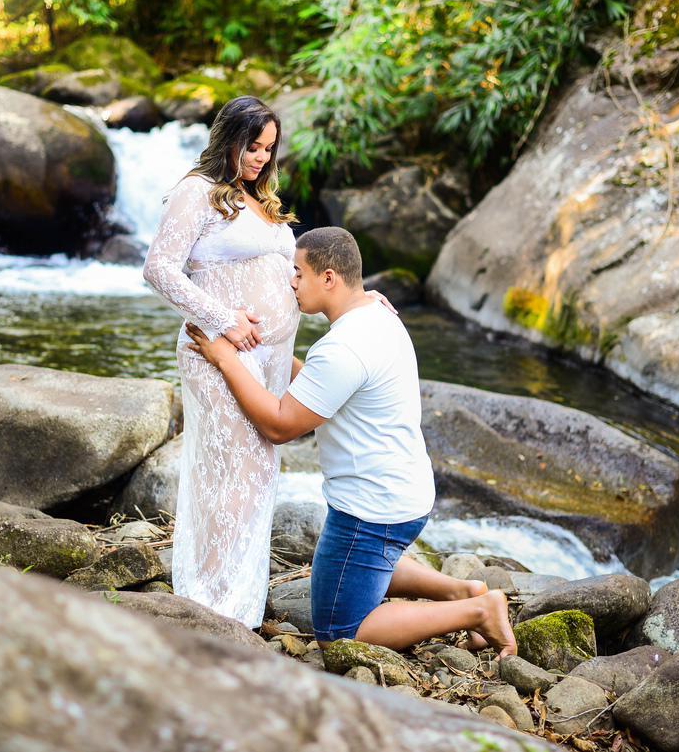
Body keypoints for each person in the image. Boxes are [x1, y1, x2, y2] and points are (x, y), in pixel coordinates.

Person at [185, 226, 517, 657]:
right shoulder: (377, 315)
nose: (291, 282)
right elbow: (321, 392)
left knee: (338, 631)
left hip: (372, 509)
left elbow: (281, 425)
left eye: (298, 273)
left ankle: (479, 612)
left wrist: (226, 359)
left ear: (328, 279)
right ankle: (462, 589)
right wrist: (264, 353)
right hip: (405, 492)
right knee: (367, 561)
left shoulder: (342, 347)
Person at [142, 95, 303, 628]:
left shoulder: (262, 201)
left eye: (268, 149)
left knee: (255, 477)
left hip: (269, 362)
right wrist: (222, 319)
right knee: (227, 478)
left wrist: (360, 297)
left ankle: (240, 606)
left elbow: (300, 275)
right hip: (217, 354)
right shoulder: (198, 192)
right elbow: (159, 268)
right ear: (228, 138)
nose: (260, 157)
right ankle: (208, 603)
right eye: (252, 146)